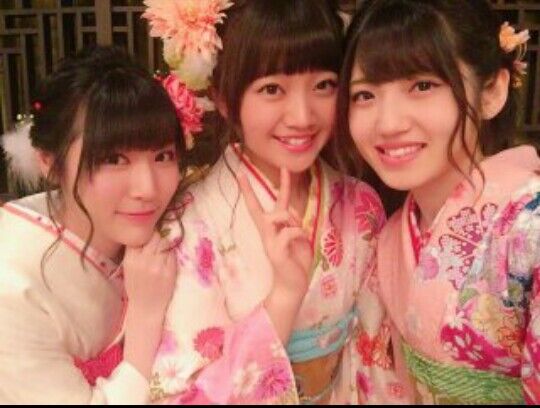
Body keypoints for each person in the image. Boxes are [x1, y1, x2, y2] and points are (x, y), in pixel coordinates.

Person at [143, 0, 405, 404]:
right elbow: (181, 391)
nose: (302, 116)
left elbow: (374, 350)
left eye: (324, 85)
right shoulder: (188, 224)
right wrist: (282, 299)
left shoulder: (360, 204)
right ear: (224, 99)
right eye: (272, 89)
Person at [337, 0, 540, 403]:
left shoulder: (529, 231)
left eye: (422, 86)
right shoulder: (391, 236)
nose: (388, 123)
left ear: (492, 92)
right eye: (364, 95)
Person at [0, 46, 191, 404]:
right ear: (49, 162)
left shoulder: (171, 227)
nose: (147, 189)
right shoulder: (10, 287)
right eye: (113, 159)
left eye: (163, 156)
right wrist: (145, 317)